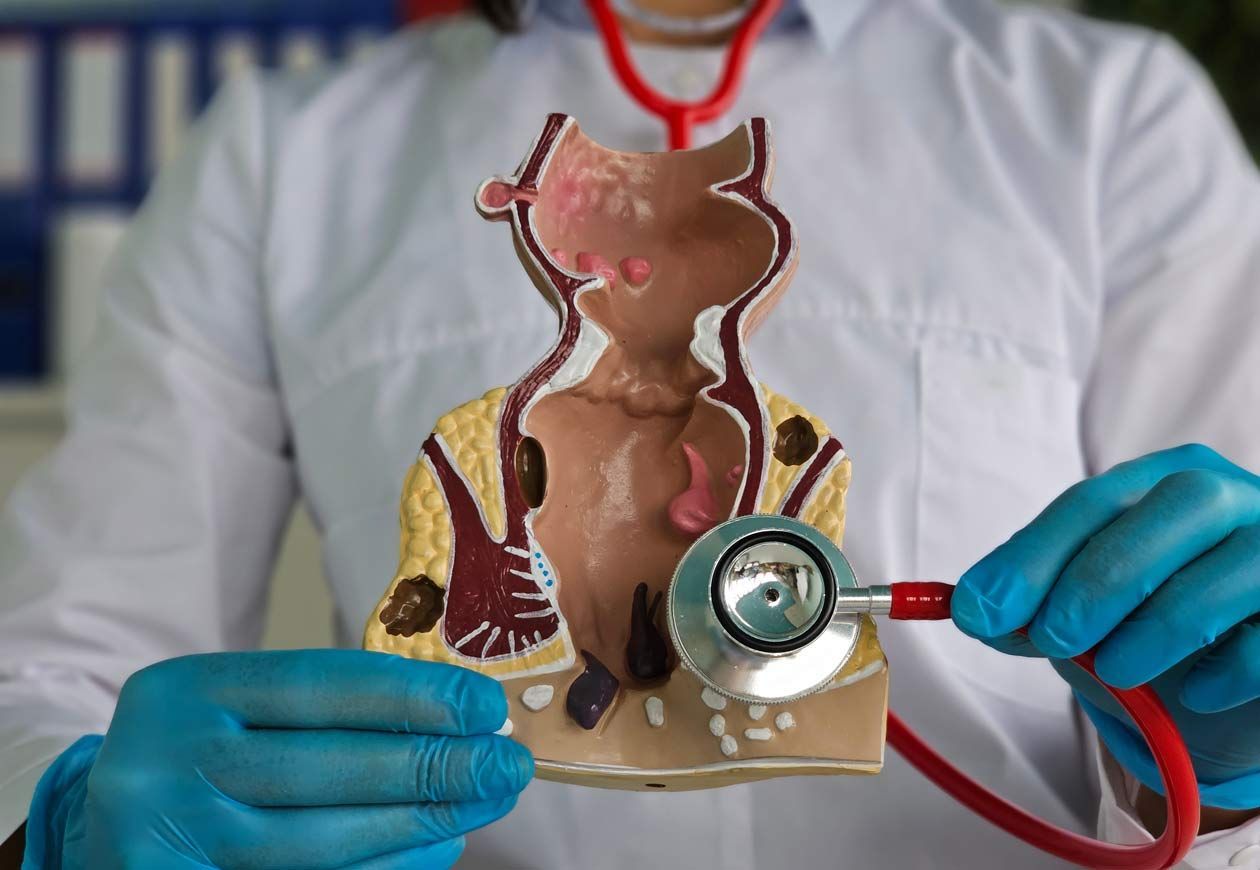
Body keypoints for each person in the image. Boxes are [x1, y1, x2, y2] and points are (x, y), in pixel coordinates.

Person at [3, 0, 1260, 866]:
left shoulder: (1101, 117)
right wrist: (61, 822)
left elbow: (1220, 606)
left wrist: (1226, 764)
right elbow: (64, 661)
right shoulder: (283, 157)